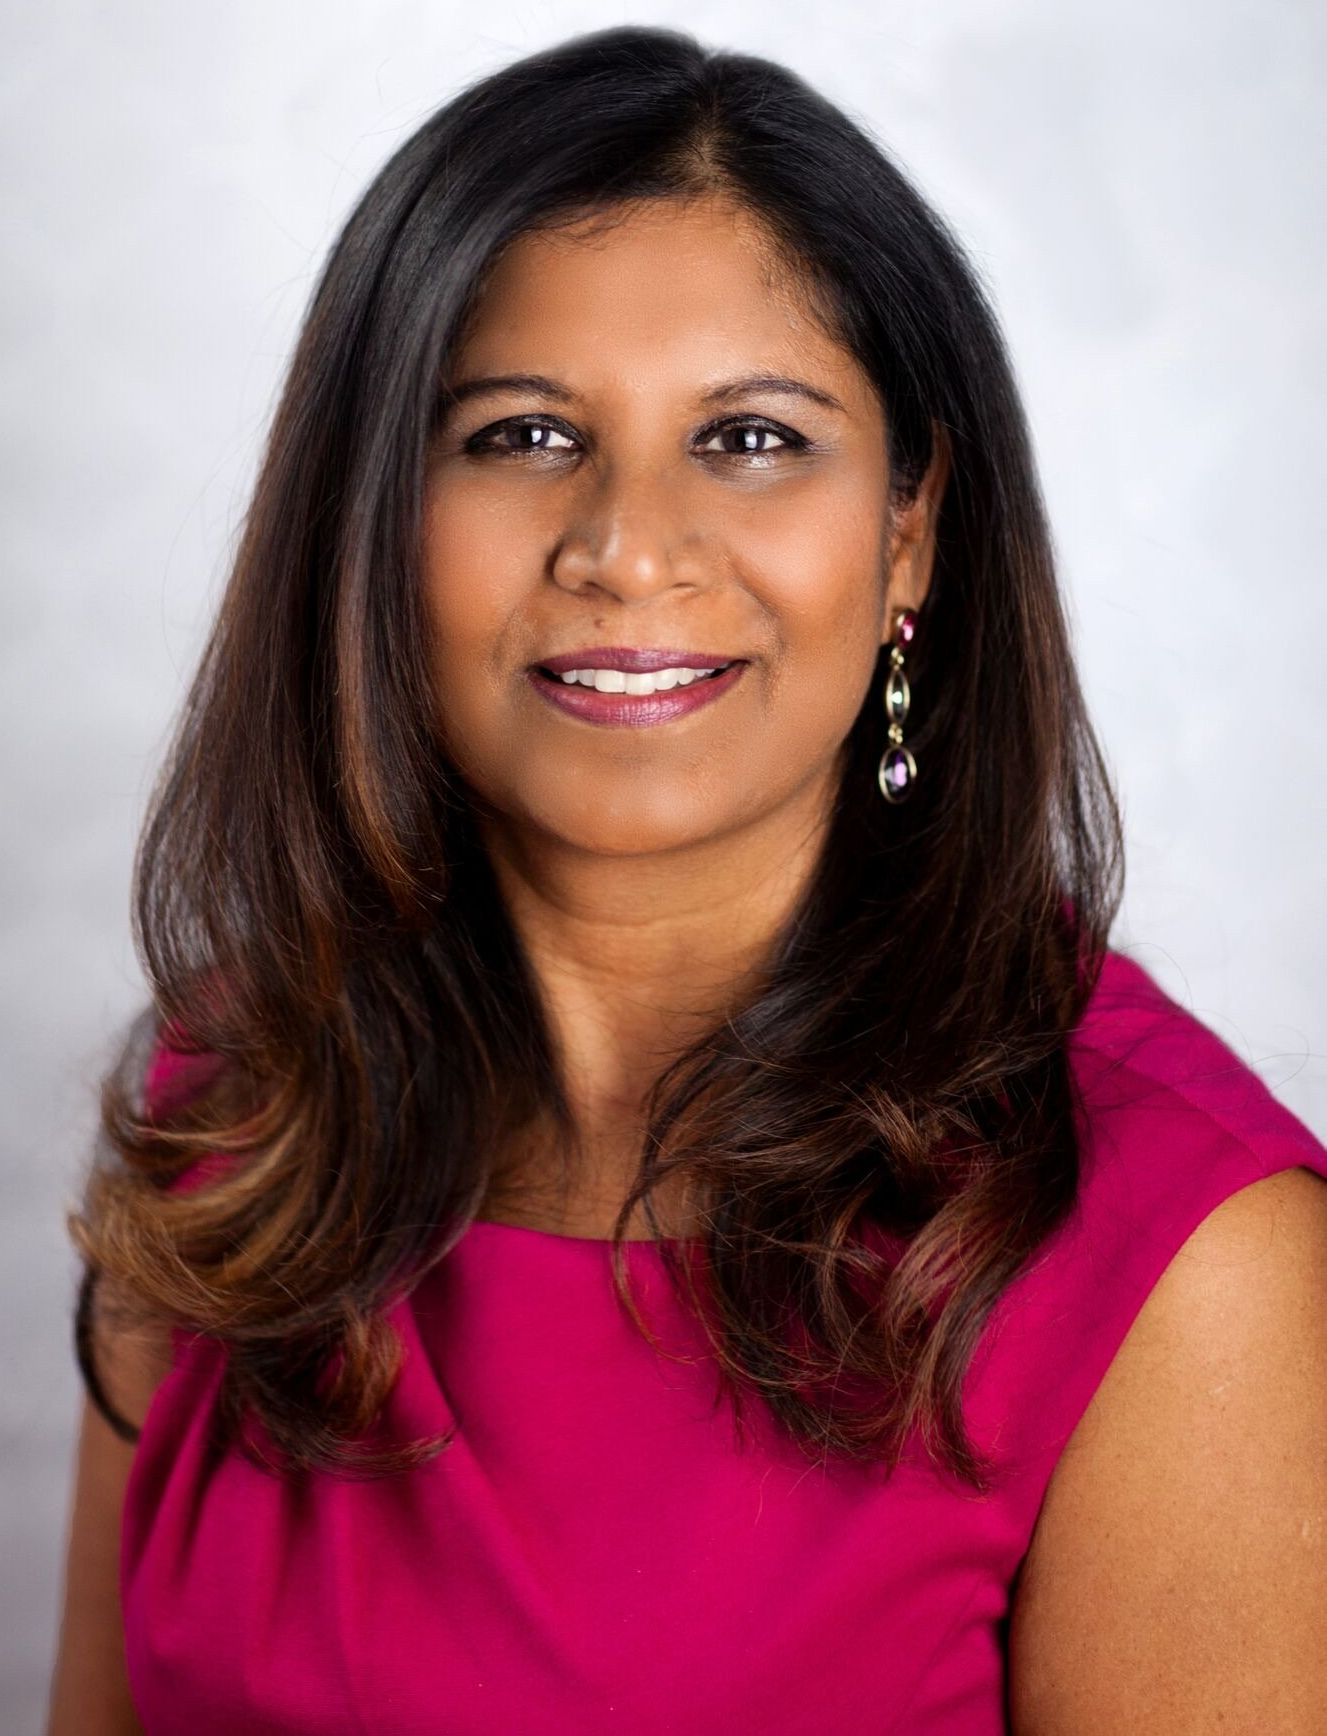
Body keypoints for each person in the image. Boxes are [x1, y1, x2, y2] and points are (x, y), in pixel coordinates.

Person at [48, 24, 1326, 1735]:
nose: (624, 545)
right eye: (515, 435)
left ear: (909, 530)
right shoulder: (240, 1107)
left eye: (748, 440)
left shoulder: (1180, 1267)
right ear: (368, 517)